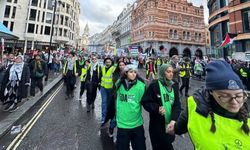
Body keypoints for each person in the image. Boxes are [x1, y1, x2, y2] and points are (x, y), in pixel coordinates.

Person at [167, 60, 250, 149]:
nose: (234, 102)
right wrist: (173, 128)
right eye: (225, 96)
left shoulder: (246, 113)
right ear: (211, 92)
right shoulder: (195, 107)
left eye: (239, 96)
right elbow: (178, 128)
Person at [142, 64, 181, 150]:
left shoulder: (174, 85)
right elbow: (146, 102)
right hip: (157, 126)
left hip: (169, 126)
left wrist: (173, 120)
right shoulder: (154, 85)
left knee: (168, 144)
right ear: (163, 73)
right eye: (168, 72)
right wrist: (157, 108)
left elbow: (177, 105)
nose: (171, 74)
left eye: (172, 72)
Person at [115, 64, 146, 150]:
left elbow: (146, 102)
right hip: (122, 124)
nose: (133, 74)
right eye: (131, 72)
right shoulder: (119, 84)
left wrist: (156, 108)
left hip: (137, 124)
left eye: (135, 72)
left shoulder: (141, 86)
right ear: (126, 73)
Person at [100, 58, 116, 129]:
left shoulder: (113, 68)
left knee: (110, 104)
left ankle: (110, 118)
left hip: (110, 89)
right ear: (105, 62)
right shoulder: (103, 68)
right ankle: (103, 118)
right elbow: (101, 76)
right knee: (104, 103)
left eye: (109, 62)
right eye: (106, 62)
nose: (108, 63)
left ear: (111, 62)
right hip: (103, 88)